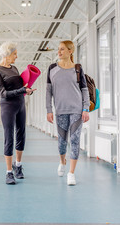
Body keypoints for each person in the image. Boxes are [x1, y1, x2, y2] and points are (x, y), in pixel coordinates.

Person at [46, 40, 90, 186]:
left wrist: (85, 109)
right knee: (62, 142)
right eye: (58, 49)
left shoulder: (78, 68)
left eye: (62, 49)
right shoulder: (52, 68)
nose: (59, 52)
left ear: (70, 51)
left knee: (75, 140)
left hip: (77, 110)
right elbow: (48, 91)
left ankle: (71, 173)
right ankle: (62, 161)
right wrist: (49, 110)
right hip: (60, 110)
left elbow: (84, 89)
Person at [0, 41, 36, 185]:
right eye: (14, 54)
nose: (16, 57)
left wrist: (26, 91)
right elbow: (3, 93)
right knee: (9, 137)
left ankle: (18, 165)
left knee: (21, 134)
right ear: (7, 54)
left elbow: (19, 88)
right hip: (8, 107)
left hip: (20, 105)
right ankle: (9, 172)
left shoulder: (15, 68)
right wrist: (22, 90)